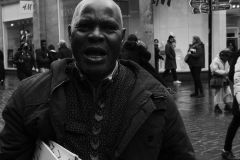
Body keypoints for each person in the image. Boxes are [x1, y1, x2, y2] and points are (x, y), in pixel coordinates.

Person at [0, 0, 195, 159]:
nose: (95, 35)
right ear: (70, 33)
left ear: (122, 37)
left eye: (109, 27)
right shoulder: (28, 97)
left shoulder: (157, 100)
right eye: (84, 26)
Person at [221, 49, 240, 160]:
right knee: (235, 122)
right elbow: (232, 75)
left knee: (236, 122)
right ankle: (226, 149)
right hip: (239, 95)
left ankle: (226, 150)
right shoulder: (237, 56)